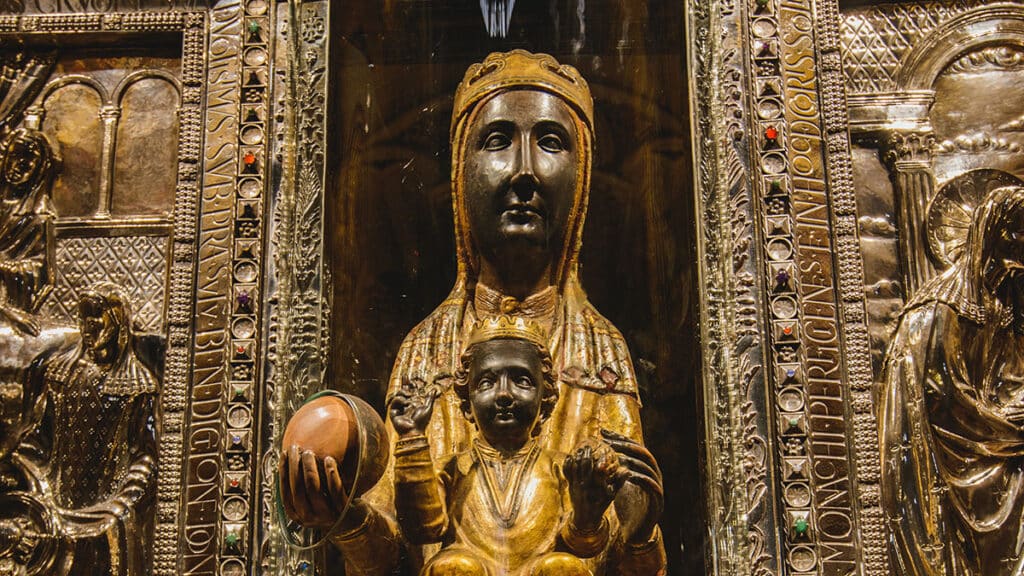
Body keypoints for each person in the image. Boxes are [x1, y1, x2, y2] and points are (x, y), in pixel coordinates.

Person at [281, 50, 665, 575]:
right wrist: (345, 518)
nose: (524, 171)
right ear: (462, 171)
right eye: (498, 140)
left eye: (551, 142)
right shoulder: (426, 348)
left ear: (583, 176)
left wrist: (639, 531)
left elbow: (626, 555)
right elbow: (396, 551)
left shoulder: (601, 350)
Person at [389, 314, 625, 575]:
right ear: (467, 403)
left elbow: (584, 547)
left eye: (521, 381)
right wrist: (412, 440)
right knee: (453, 566)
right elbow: (421, 528)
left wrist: (586, 514)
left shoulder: (560, 468)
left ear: (545, 399)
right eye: (487, 382)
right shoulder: (455, 468)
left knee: (563, 566)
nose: (503, 394)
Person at [880, 184, 1024, 576]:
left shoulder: (1006, 302)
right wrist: (1010, 426)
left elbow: (1011, 375)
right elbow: (946, 401)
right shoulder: (943, 307)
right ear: (999, 236)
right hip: (958, 459)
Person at [42, 283, 159, 576]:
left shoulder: (137, 385)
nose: (89, 325)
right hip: (55, 507)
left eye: (97, 315)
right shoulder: (61, 375)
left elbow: (145, 454)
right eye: (84, 316)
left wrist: (122, 502)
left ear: (117, 321)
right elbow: (42, 442)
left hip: (106, 515)